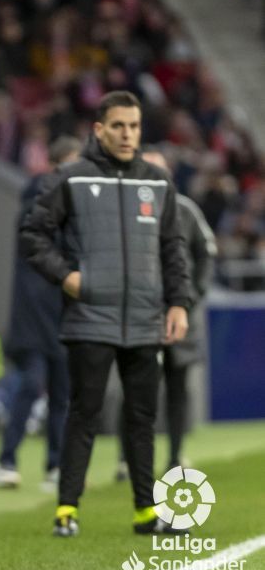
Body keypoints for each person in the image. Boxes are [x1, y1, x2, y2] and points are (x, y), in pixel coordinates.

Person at [20, 91, 191, 537]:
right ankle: (66, 512)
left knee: (141, 419)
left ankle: (145, 513)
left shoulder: (158, 181)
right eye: (118, 125)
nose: (127, 134)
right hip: (89, 317)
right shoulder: (70, 178)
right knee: (85, 413)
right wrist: (68, 277)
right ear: (99, 129)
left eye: (134, 126)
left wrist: (178, 303)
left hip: (144, 319)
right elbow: (33, 235)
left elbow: (174, 249)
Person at [114, 148, 217, 480]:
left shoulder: (185, 210)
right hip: (140, 316)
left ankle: (174, 456)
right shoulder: (126, 212)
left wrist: (190, 297)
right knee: (133, 389)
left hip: (178, 316)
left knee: (177, 386)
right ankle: (125, 458)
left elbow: (206, 254)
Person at [0, 136, 81, 491]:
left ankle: (55, 465)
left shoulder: (72, 210)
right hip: (33, 316)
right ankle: (7, 460)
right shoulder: (37, 204)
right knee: (31, 385)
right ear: (56, 166)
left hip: (62, 313)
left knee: (61, 392)